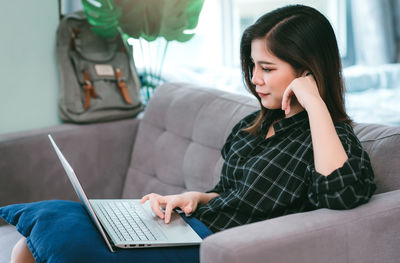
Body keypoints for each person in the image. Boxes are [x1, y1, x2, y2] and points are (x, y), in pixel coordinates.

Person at [11, 4, 376, 263]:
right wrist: (193, 197)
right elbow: (232, 194)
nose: (254, 79)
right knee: (36, 237)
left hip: (215, 247)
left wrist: (315, 106)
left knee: (49, 241)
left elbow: (340, 196)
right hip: (192, 226)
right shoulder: (255, 125)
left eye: (267, 68)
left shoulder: (334, 140)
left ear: (307, 71)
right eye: (252, 66)